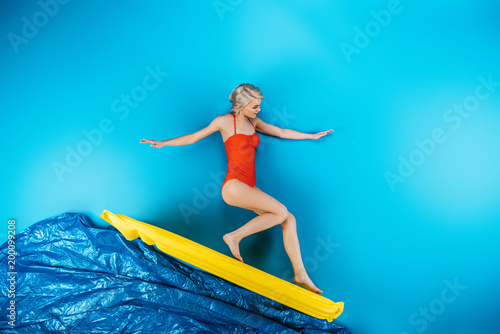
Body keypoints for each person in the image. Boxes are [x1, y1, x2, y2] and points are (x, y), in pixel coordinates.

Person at [140, 83, 333, 294]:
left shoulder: (254, 122)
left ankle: (300, 274)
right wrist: (163, 143)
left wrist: (311, 136)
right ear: (241, 105)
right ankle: (235, 236)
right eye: (254, 106)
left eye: (259, 106)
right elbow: (194, 137)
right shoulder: (224, 122)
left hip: (249, 186)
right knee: (280, 211)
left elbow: (279, 131)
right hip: (234, 186)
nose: (258, 110)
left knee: (289, 219)